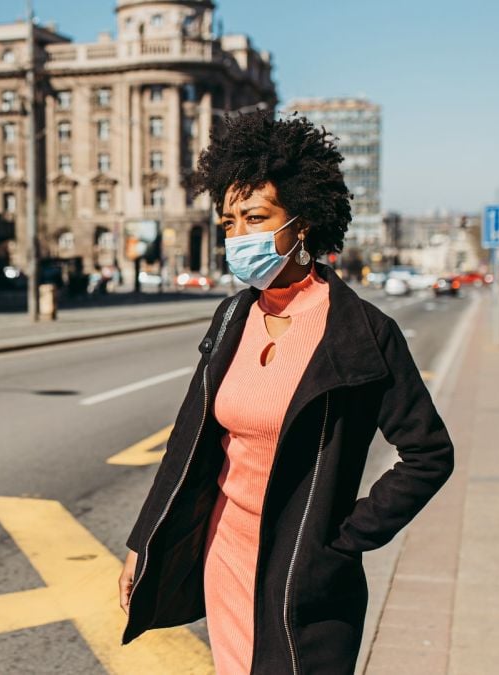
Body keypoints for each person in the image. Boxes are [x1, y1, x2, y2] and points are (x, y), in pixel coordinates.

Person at [117, 111, 454, 674]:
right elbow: (187, 444)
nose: (238, 235)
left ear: (301, 223)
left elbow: (429, 454)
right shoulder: (232, 318)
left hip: (304, 572)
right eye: (229, 222)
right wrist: (142, 543)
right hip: (224, 553)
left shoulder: (363, 332)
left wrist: (344, 538)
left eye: (255, 217)